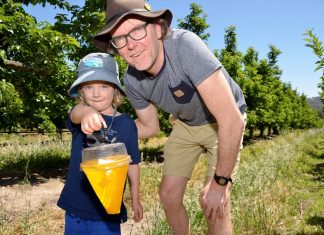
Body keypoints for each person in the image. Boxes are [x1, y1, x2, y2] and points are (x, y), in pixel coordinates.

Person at [72, 0, 247, 234]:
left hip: (222, 122)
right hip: (186, 125)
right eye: (120, 39)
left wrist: (220, 183)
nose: (130, 45)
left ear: (157, 28)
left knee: (214, 203)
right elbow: (149, 127)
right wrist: (98, 123)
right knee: (168, 195)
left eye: (136, 31)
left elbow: (231, 119)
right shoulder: (133, 81)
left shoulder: (185, 46)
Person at [57, 52, 143, 235]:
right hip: (76, 204)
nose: (96, 93)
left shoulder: (127, 124)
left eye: (104, 85)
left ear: (116, 90)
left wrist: (135, 198)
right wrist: (87, 112)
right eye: (88, 87)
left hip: (107, 208)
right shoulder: (81, 115)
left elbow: (133, 163)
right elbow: (75, 113)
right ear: (81, 92)